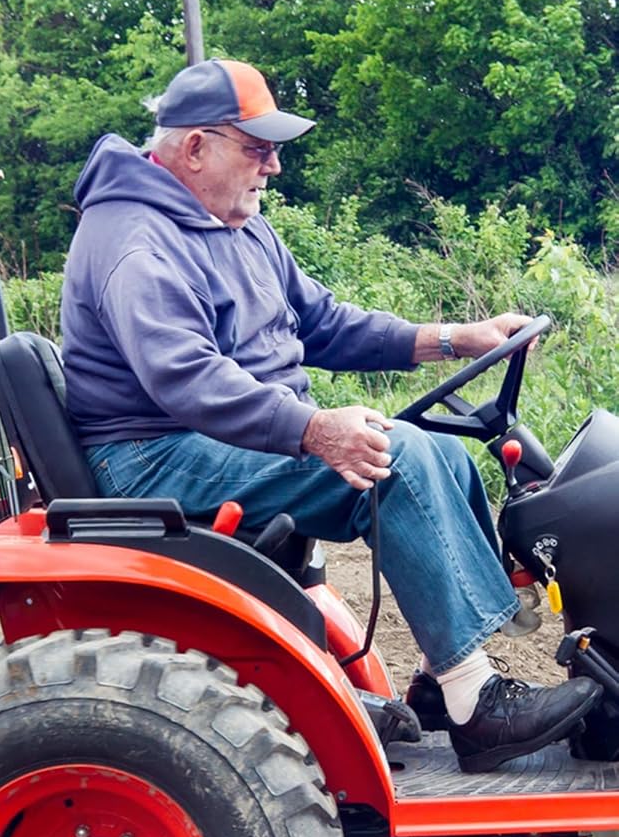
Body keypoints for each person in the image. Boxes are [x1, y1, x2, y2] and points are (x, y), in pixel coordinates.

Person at [60, 57, 599, 773]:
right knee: (394, 458)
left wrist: (451, 339)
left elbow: (324, 323)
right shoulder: (136, 241)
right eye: (257, 148)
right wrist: (314, 430)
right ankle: (477, 709)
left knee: (433, 446)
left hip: (219, 433)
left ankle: (444, 682)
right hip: (156, 452)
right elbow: (184, 378)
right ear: (194, 147)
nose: (274, 166)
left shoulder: (234, 223)